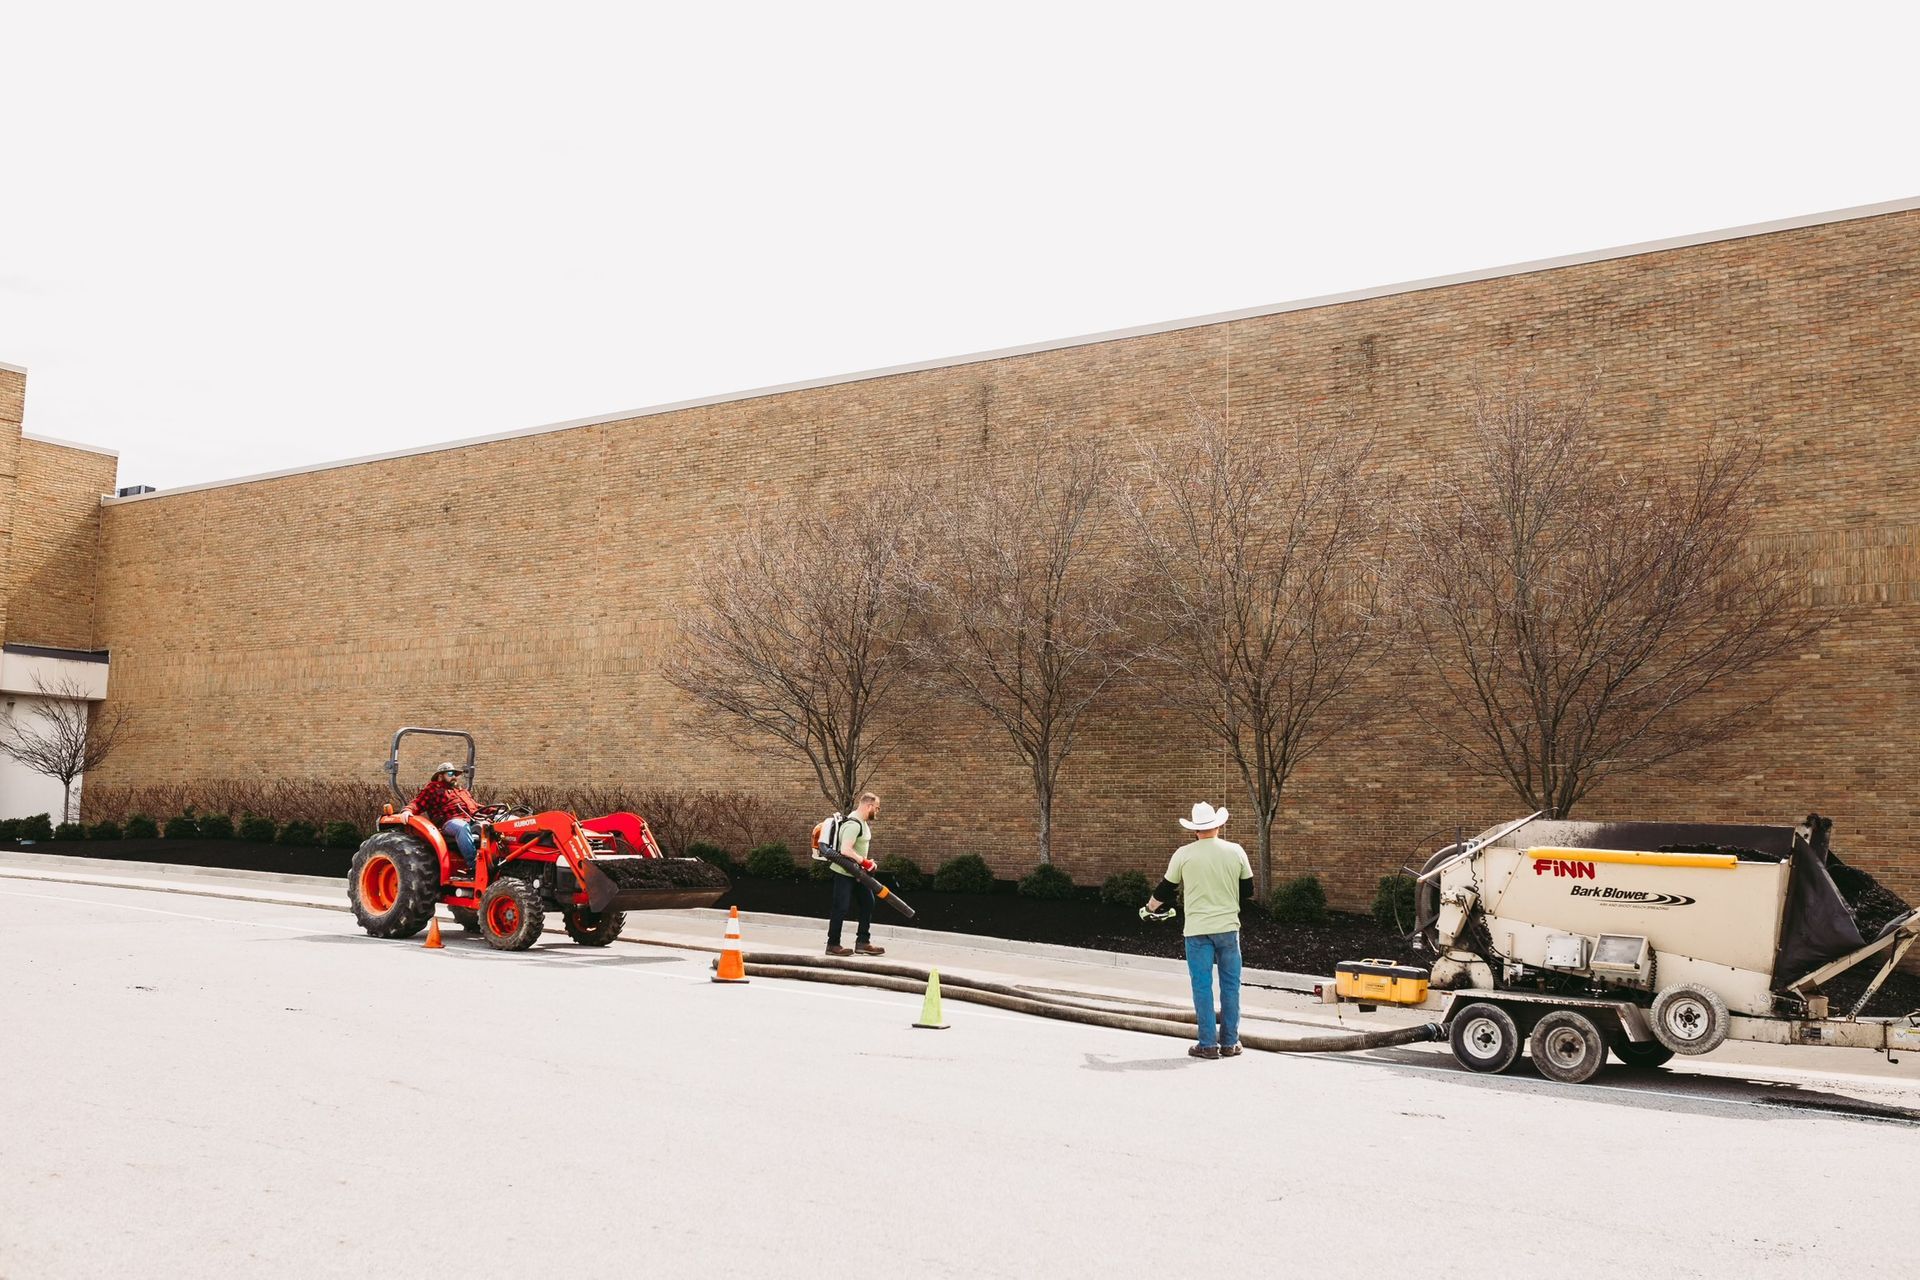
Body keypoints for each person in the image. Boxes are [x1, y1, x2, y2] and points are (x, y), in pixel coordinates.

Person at [1142, 801, 1254, 1060]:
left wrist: (1150, 907)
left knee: (1202, 986)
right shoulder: (1236, 851)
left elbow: (1165, 890)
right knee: (1230, 986)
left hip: (1196, 930)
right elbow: (1247, 892)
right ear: (1218, 825)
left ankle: (1207, 1044)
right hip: (1228, 928)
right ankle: (1230, 1043)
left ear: (1194, 830)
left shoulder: (1183, 854)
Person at [825, 792, 886, 957]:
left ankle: (863, 942)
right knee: (841, 908)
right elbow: (845, 849)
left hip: (857, 873)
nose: (877, 812)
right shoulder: (854, 824)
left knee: (868, 903)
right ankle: (832, 944)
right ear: (869, 806)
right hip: (844, 873)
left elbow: (855, 849)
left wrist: (866, 861)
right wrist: (864, 862)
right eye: (877, 808)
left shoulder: (863, 823)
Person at [404, 761, 481, 873]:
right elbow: (418, 802)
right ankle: (474, 865)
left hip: (472, 819)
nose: (454, 776)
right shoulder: (433, 788)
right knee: (462, 827)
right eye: (450, 773)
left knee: (493, 827)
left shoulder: (461, 791)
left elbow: (476, 807)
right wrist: (407, 810)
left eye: (455, 774)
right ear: (440, 776)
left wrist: (501, 811)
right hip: (450, 822)